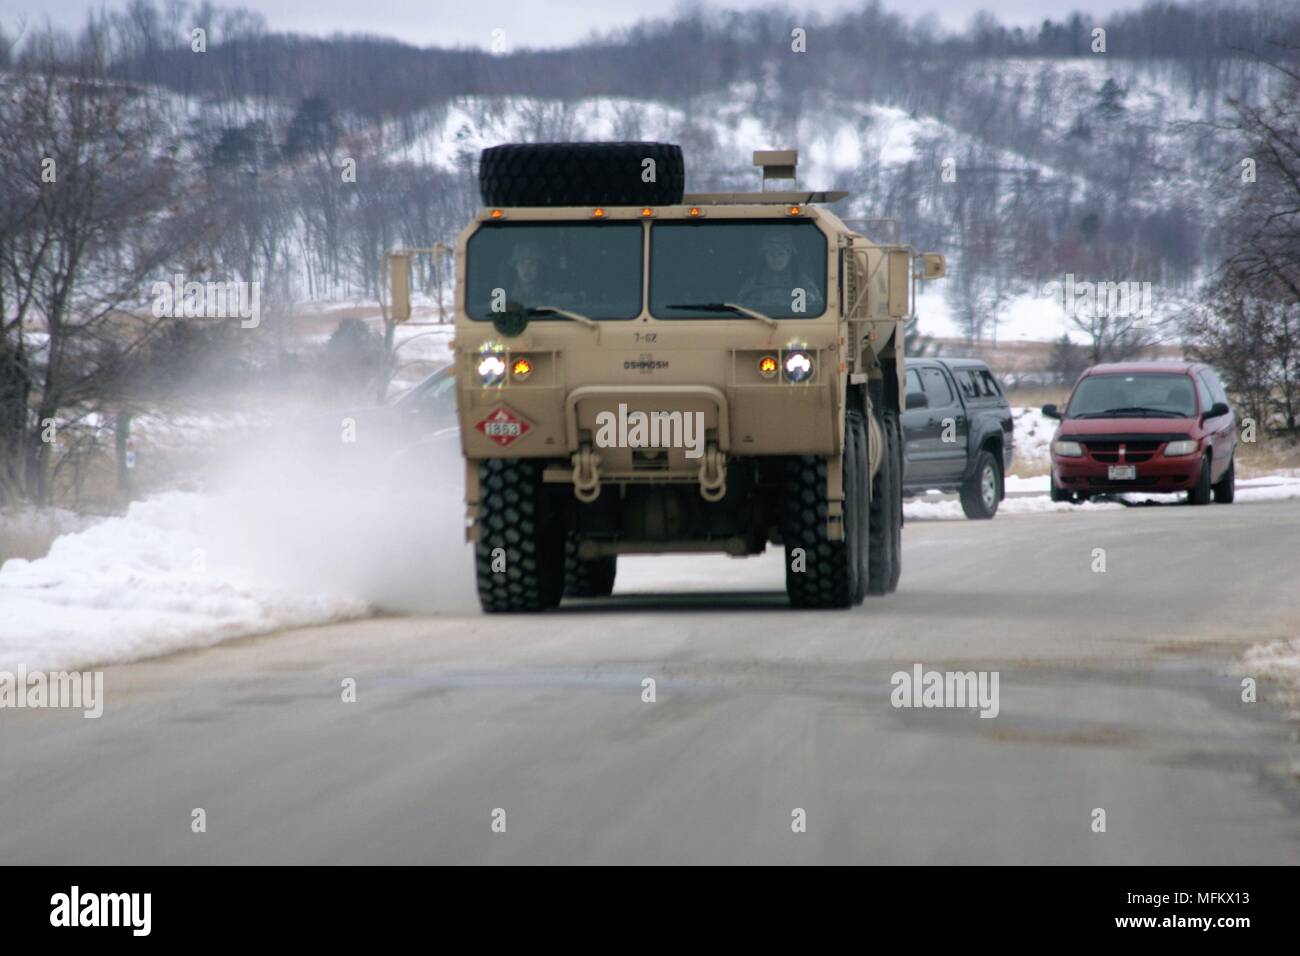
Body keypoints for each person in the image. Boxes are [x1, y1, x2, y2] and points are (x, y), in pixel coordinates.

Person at [738, 231, 824, 314]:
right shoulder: (754, 282)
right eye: (771, 254)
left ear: (790, 256)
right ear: (764, 256)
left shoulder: (802, 281)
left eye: (781, 254)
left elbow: (816, 308)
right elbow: (740, 307)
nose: (776, 258)